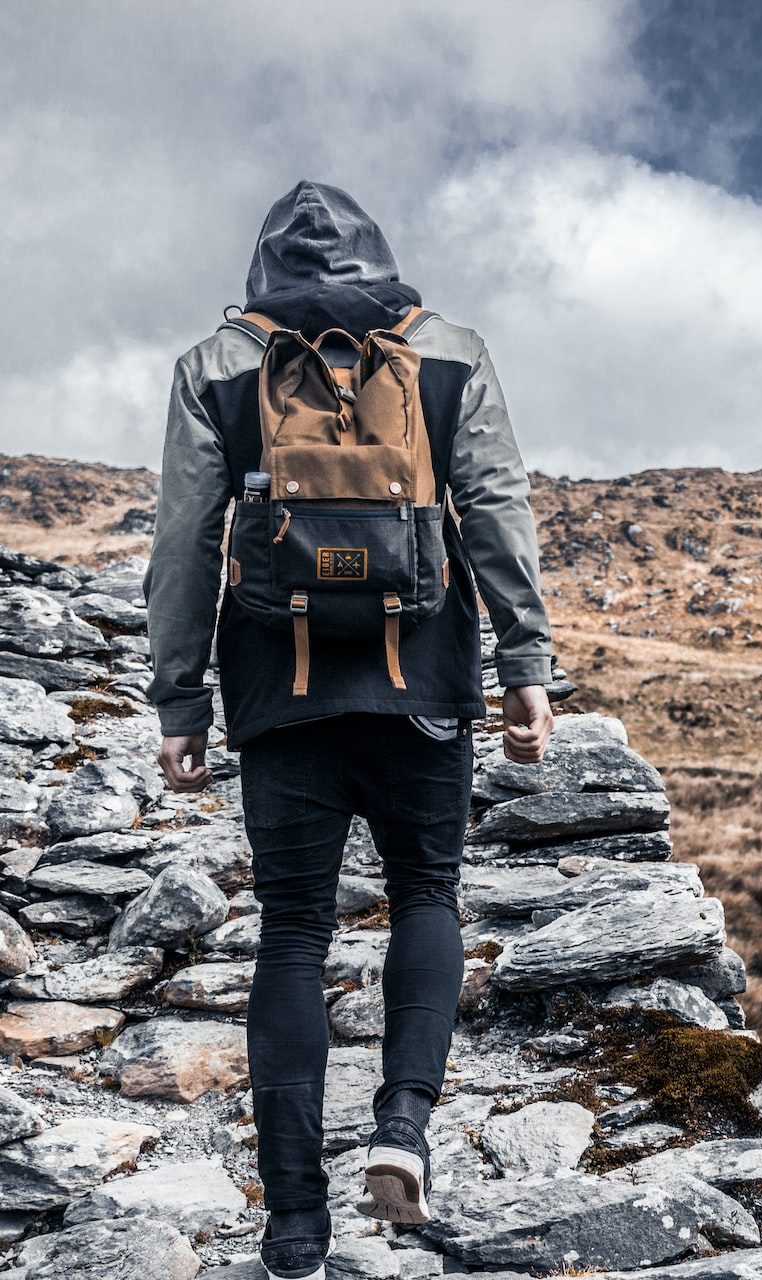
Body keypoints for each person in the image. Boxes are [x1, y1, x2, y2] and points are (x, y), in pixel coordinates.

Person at [143, 180, 555, 1280]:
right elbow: (498, 504)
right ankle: (403, 1128)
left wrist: (180, 698)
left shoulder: (217, 365)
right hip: (421, 676)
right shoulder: (448, 350)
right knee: (426, 894)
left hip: (280, 688)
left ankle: (293, 1227)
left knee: (291, 932)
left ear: (262, 269)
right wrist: (526, 663)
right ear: (379, 254)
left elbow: (184, 539)